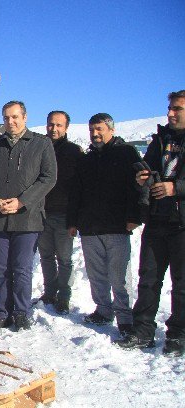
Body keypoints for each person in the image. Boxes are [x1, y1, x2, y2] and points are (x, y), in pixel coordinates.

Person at [114, 90, 185, 356]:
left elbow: (173, 184)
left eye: (177, 109)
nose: (170, 114)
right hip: (157, 219)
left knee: (181, 284)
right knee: (148, 280)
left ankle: (178, 335)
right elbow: (151, 169)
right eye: (170, 108)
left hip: (182, 223)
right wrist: (144, 178)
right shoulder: (161, 139)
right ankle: (142, 331)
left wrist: (175, 188)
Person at [0, 101, 56, 331]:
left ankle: (21, 312)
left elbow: (48, 177)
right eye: (6, 118)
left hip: (27, 217)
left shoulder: (41, 144)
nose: (10, 122)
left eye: (15, 117)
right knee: (1, 267)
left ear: (25, 117)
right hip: (0, 216)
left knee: (21, 268)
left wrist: (22, 201)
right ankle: (4, 311)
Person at [67, 113, 141, 335]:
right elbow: (76, 192)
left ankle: (125, 317)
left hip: (117, 226)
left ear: (111, 129)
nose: (95, 134)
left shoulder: (126, 153)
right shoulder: (86, 159)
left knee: (119, 276)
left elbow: (135, 188)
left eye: (99, 129)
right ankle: (103, 310)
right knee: (97, 274)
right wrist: (73, 221)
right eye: (92, 130)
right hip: (89, 227)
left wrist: (134, 217)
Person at [36, 111, 83, 315]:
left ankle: (63, 296)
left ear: (66, 128)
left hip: (64, 214)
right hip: (41, 212)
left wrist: (75, 218)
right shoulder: (38, 147)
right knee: (46, 256)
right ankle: (49, 292)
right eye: (50, 124)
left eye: (59, 125)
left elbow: (79, 186)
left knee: (64, 258)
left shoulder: (74, 152)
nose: (53, 129)